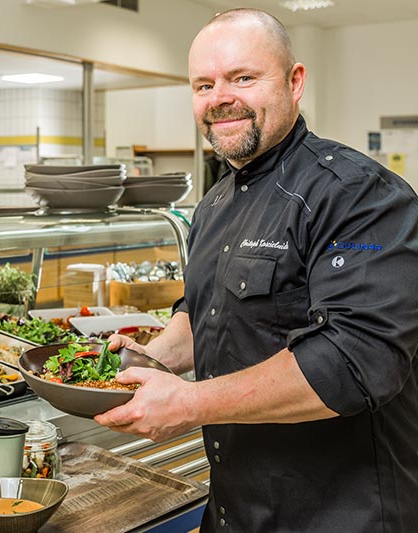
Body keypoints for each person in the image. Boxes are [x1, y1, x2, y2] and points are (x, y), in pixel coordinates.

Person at [95, 8, 418, 532]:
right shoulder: (214, 203)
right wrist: (155, 355)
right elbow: (206, 311)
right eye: (204, 83)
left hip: (341, 517)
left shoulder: (359, 194)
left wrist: (189, 403)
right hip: (236, 512)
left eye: (243, 77)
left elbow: (358, 363)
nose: (220, 96)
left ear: (295, 83)